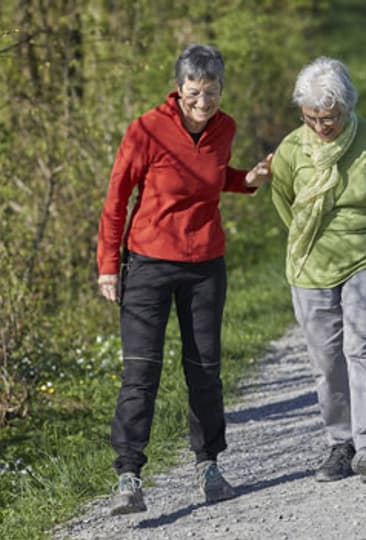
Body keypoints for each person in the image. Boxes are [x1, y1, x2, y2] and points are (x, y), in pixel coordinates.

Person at [96, 43, 272, 515]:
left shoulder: (225, 128)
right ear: (178, 90)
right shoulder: (146, 130)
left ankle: (209, 465)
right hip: (148, 263)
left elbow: (210, 178)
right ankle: (129, 476)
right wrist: (108, 266)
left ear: (220, 89)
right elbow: (116, 200)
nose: (202, 101)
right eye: (193, 92)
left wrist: (246, 179)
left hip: (204, 265)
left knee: (205, 372)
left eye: (210, 92)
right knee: (140, 373)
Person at [269, 57, 366, 484]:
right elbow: (285, 205)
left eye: (328, 117)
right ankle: (340, 443)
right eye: (311, 117)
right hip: (311, 264)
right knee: (326, 360)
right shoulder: (293, 150)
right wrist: (308, 244)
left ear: (347, 108)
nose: (320, 126)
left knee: (359, 346)